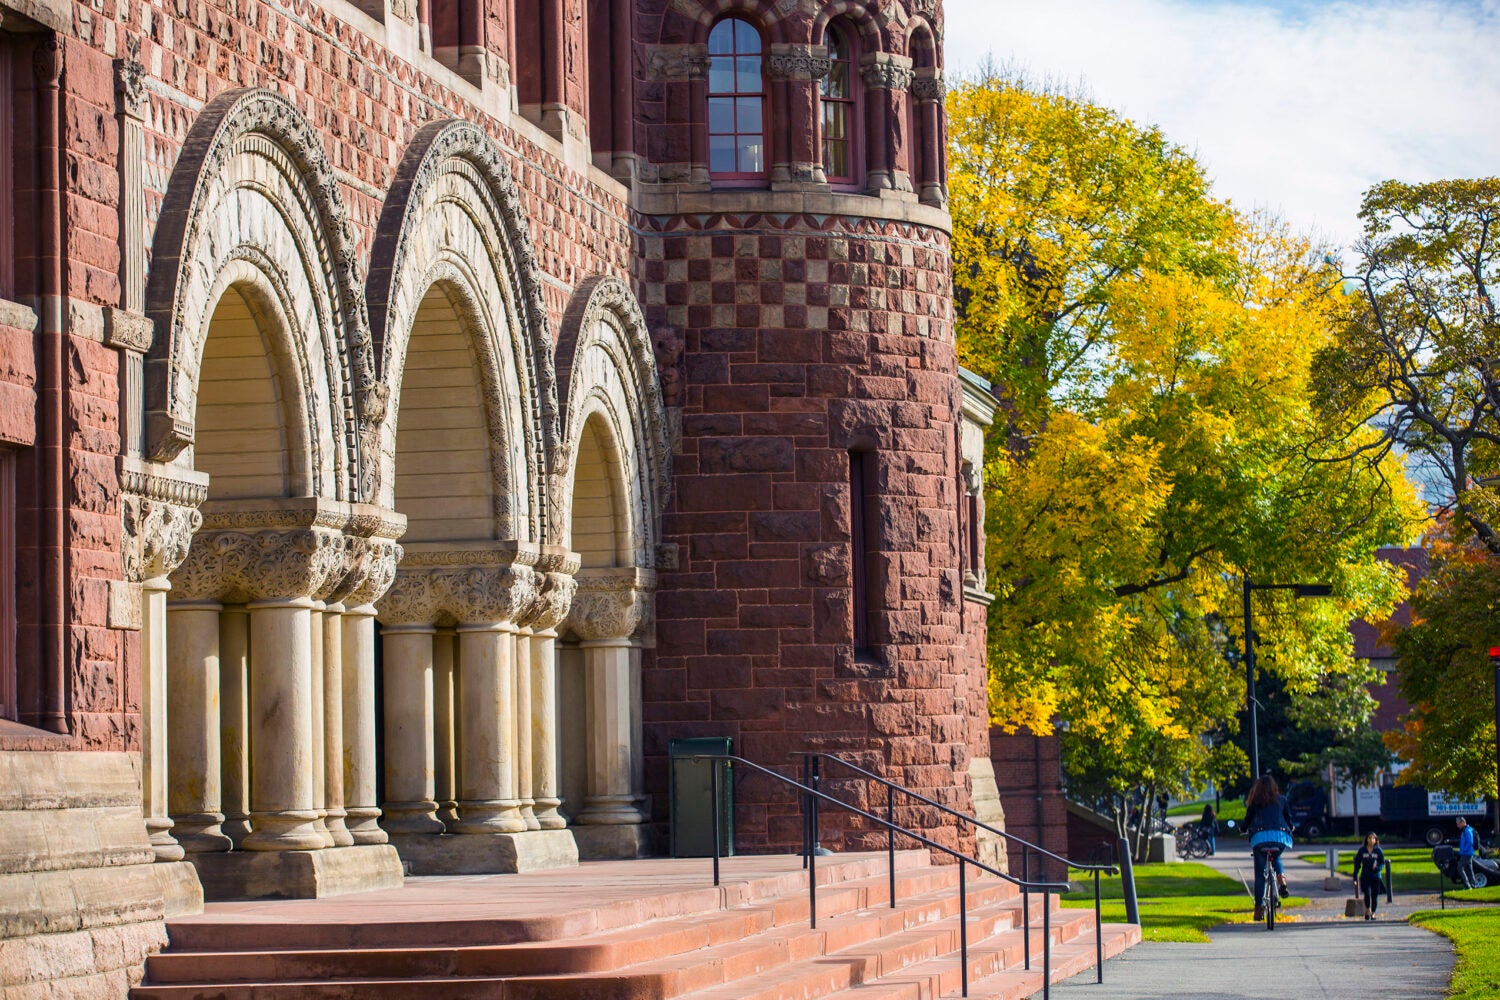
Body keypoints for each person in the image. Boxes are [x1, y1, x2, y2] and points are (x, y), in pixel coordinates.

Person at [1244, 775, 1294, 921]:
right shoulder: (1282, 800)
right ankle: (1282, 880)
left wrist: (1242, 828)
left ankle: (1258, 909)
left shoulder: (1255, 801)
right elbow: (1288, 819)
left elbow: (1248, 820)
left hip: (1260, 838)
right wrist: (1291, 827)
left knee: (1260, 875)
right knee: (1276, 856)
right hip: (1280, 837)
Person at [1351, 832, 1386, 920]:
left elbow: (1382, 862)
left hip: (1375, 876)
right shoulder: (1362, 850)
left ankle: (1373, 912)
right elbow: (1357, 863)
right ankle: (1368, 910)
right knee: (1367, 894)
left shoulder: (1378, 850)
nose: (1371, 840)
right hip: (1365, 876)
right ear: (1366, 839)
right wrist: (1355, 875)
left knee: (1374, 895)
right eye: (1369, 838)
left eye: (1373, 838)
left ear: (1376, 840)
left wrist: (1377, 867)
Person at [1456, 817, 1478, 889]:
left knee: (1460, 868)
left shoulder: (1467, 831)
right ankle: (1473, 885)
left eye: (1458, 823)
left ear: (1462, 822)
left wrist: (1464, 851)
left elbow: (1470, 842)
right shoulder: (1465, 830)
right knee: (1469, 869)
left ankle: (1467, 886)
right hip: (1468, 853)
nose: (1457, 825)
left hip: (1467, 854)